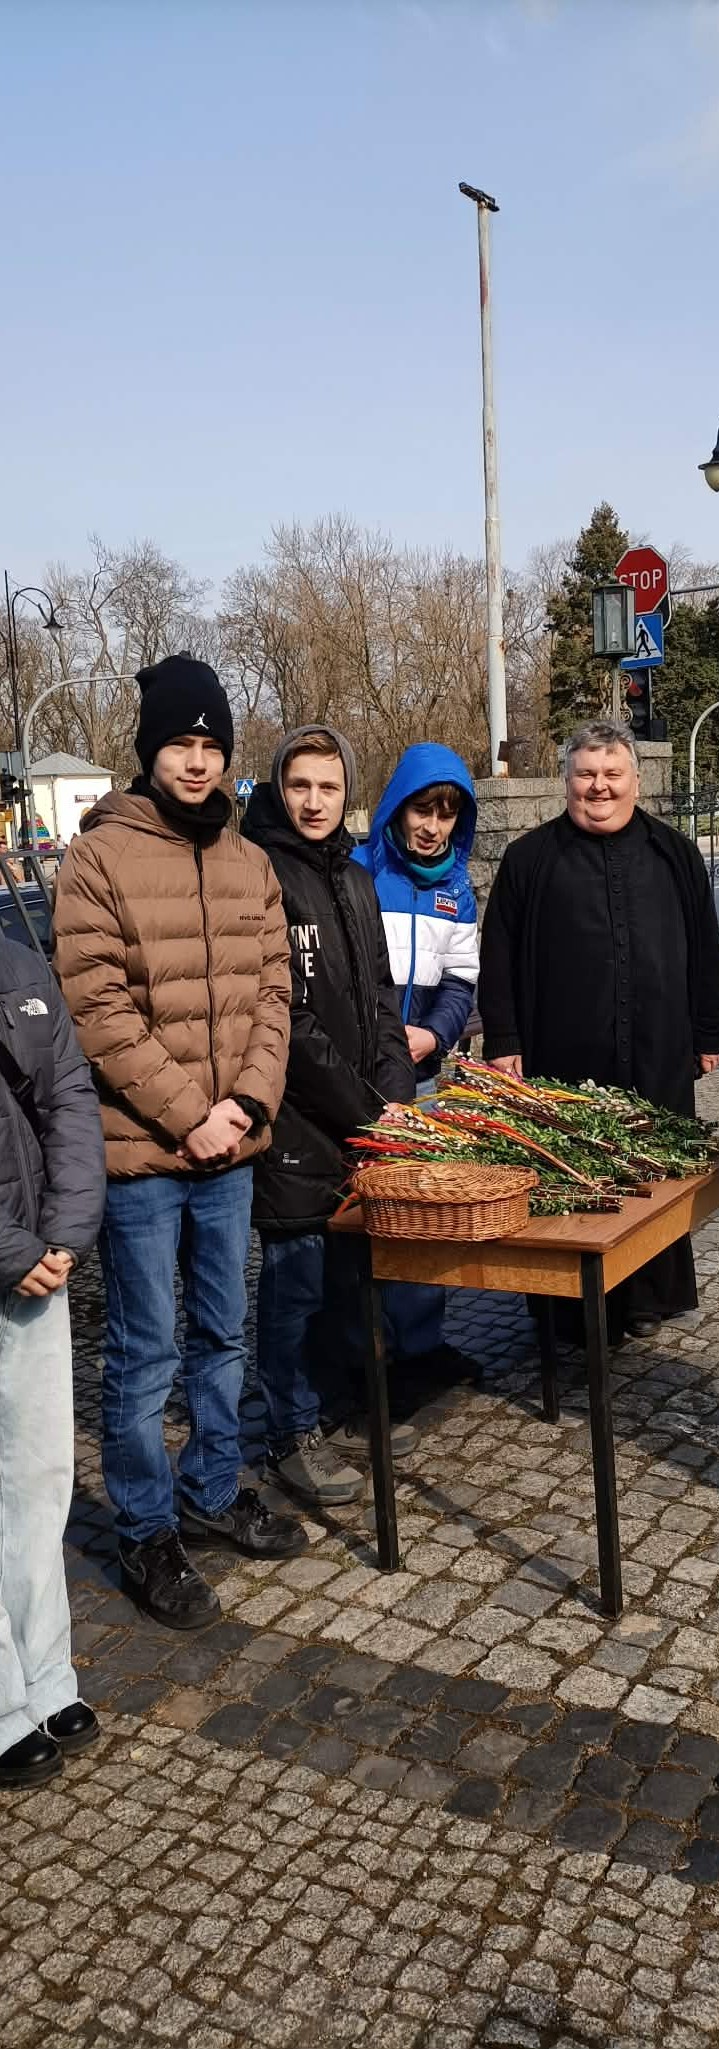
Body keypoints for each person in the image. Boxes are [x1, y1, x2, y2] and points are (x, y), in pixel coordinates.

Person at [53, 653, 304, 1631]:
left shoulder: (249, 861)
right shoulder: (99, 858)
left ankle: (210, 1489)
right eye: (180, 742)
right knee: (144, 1348)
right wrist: (187, 1113)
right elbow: (96, 1007)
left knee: (221, 1333)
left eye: (211, 744)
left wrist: (244, 1102)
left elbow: (274, 994)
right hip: (143, 1158)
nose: (197, 760)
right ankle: (146, 1529)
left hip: (231, 1147)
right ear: (150, 749)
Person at [478, 719, 719, 1341]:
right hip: (562, 1055)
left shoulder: (675, 853)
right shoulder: (529, 858)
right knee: (570, 1176)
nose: (600, 787)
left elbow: (705, 945)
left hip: (658, 1051)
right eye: (586, 774)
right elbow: (498, 955)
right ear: (566, 781)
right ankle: (567, 1308)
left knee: (654, 1173)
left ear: (635, 781)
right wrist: (504, 1040)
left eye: (612, 774)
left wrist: (709, 1032)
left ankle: (648, 1298)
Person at [241, 726, 416, 1509]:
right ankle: (289, 1431)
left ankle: (341, 1403)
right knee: (294, 1284)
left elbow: (381, 994)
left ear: (348, 792)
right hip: (296, 1123)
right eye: (300, 785)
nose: (314, 801)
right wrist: (365, 1110)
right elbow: (287, 1019)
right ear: (279, 787)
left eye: (328, 786)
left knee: (349, 1278)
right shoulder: (261, 871)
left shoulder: (354, 874)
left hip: (361, 1117)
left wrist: (395, 1094)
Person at [0, 937, 105, 1789]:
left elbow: (67, 1090)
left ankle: (44, 1677)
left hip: (37, 1258)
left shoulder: (18, 963)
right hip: (11, 1253)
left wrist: (65, 1233)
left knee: (38, 1480)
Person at [353, 743, 480, 1377]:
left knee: (422, 1209)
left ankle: (422, 1346)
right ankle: (362, 1354)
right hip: (358, 1074)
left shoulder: (457, 888)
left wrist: (433, 1034)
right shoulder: (356, 872)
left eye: (446, 814)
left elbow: (461, 981)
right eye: (421, 810)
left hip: (422, 1073)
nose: (432, 827)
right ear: (398, 808)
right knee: (359, 1213)